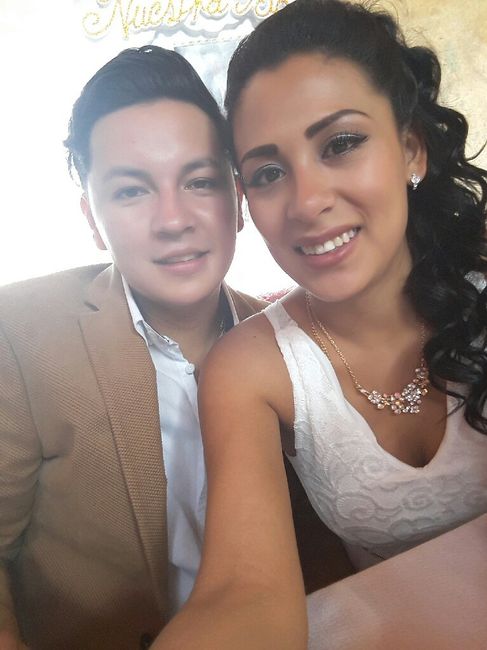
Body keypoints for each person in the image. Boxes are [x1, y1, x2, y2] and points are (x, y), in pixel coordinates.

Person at [154, 0, 487, 646]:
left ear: (411, 149)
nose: (307, 203)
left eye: (340, 144)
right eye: (268, 172)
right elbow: (243, 592)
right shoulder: (247, 368)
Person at [0, 45, 268, 650]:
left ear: (238, 200)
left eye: (199, 182)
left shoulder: (283, 338)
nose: (173, 220)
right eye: (131, 192)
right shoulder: (18, 335)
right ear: (91, 219)